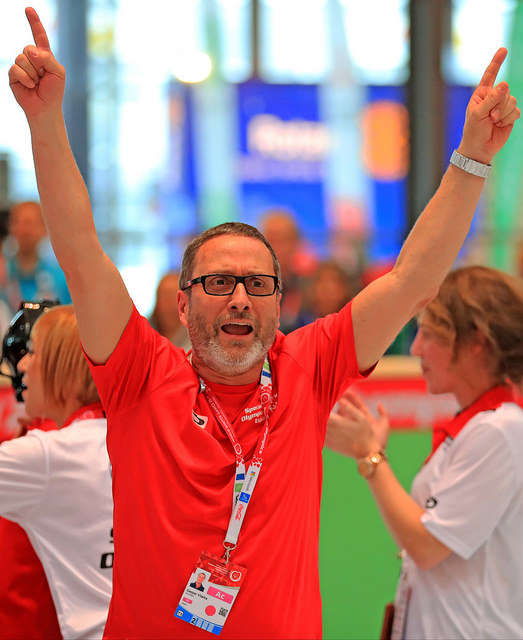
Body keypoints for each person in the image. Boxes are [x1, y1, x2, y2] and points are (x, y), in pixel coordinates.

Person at [8, 7, 519, 639]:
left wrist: (472, 157)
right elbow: (81, 252)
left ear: (280, 302)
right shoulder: (139, 373)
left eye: (257, 284)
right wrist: (44, 120)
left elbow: (413, 279)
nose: (240, 299)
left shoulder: (309, 366)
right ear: (183, 303)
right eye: (218, 283)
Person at [327, 265, 523, 639]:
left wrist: (371, 457)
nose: (416, 348)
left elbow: (428, 546)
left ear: (476, 342)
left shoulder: (499, 430)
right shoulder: (479, 426)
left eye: (430, 334)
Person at [0, 305, 113, 639]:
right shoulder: (131, 437)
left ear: (64, 369)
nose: (22, 365)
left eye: (33, 352)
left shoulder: (48, 454)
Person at [2, 200, 71, 314]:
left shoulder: (61, 279)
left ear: (44, 228)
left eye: (28, 223)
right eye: (16, 222)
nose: (23, 230)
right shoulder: (3, 275)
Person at [148, 270, 191, 351]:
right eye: (164, 296)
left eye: (172, 297)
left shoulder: (196, 338)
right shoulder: (145, 332)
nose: (168, 304)